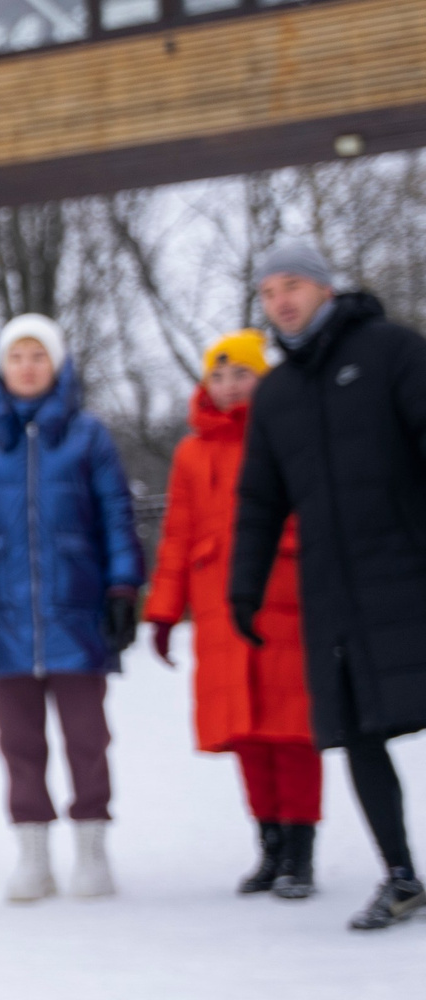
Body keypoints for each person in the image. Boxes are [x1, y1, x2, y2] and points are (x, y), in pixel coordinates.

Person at [231, 240, 426, 933]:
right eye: (268, 291)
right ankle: (401, 875)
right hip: (336, 593)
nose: (281, 300)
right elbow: (259, 500)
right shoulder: (277, 394)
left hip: (410, 574)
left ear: (324, 288)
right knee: (360, 733)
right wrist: (243, 588)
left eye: (293, 285)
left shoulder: (390, 351)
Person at [0, 313, 142, 904]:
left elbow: (116, 517)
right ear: (0, 368)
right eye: (16, 357)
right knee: (18, 742)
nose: (28, 367)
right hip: (2, 614)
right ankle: (32, 856)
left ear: (58, 365)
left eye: (38, 357)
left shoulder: (89, 436)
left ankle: (93, 852)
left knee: (87, 737)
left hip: (76, 609)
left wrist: (123, 589)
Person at [143, 329, 320, 899]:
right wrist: (165, 610)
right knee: (246, 734)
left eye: (240, 374)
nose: (228, 386)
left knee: (291, 732)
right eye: (217, 377)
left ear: (261, 377)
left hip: (285, 599)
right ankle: (268, 846)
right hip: (219, 608)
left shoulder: (289, 432)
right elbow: (177, 534)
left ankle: (300, 851)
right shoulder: (192, 453)